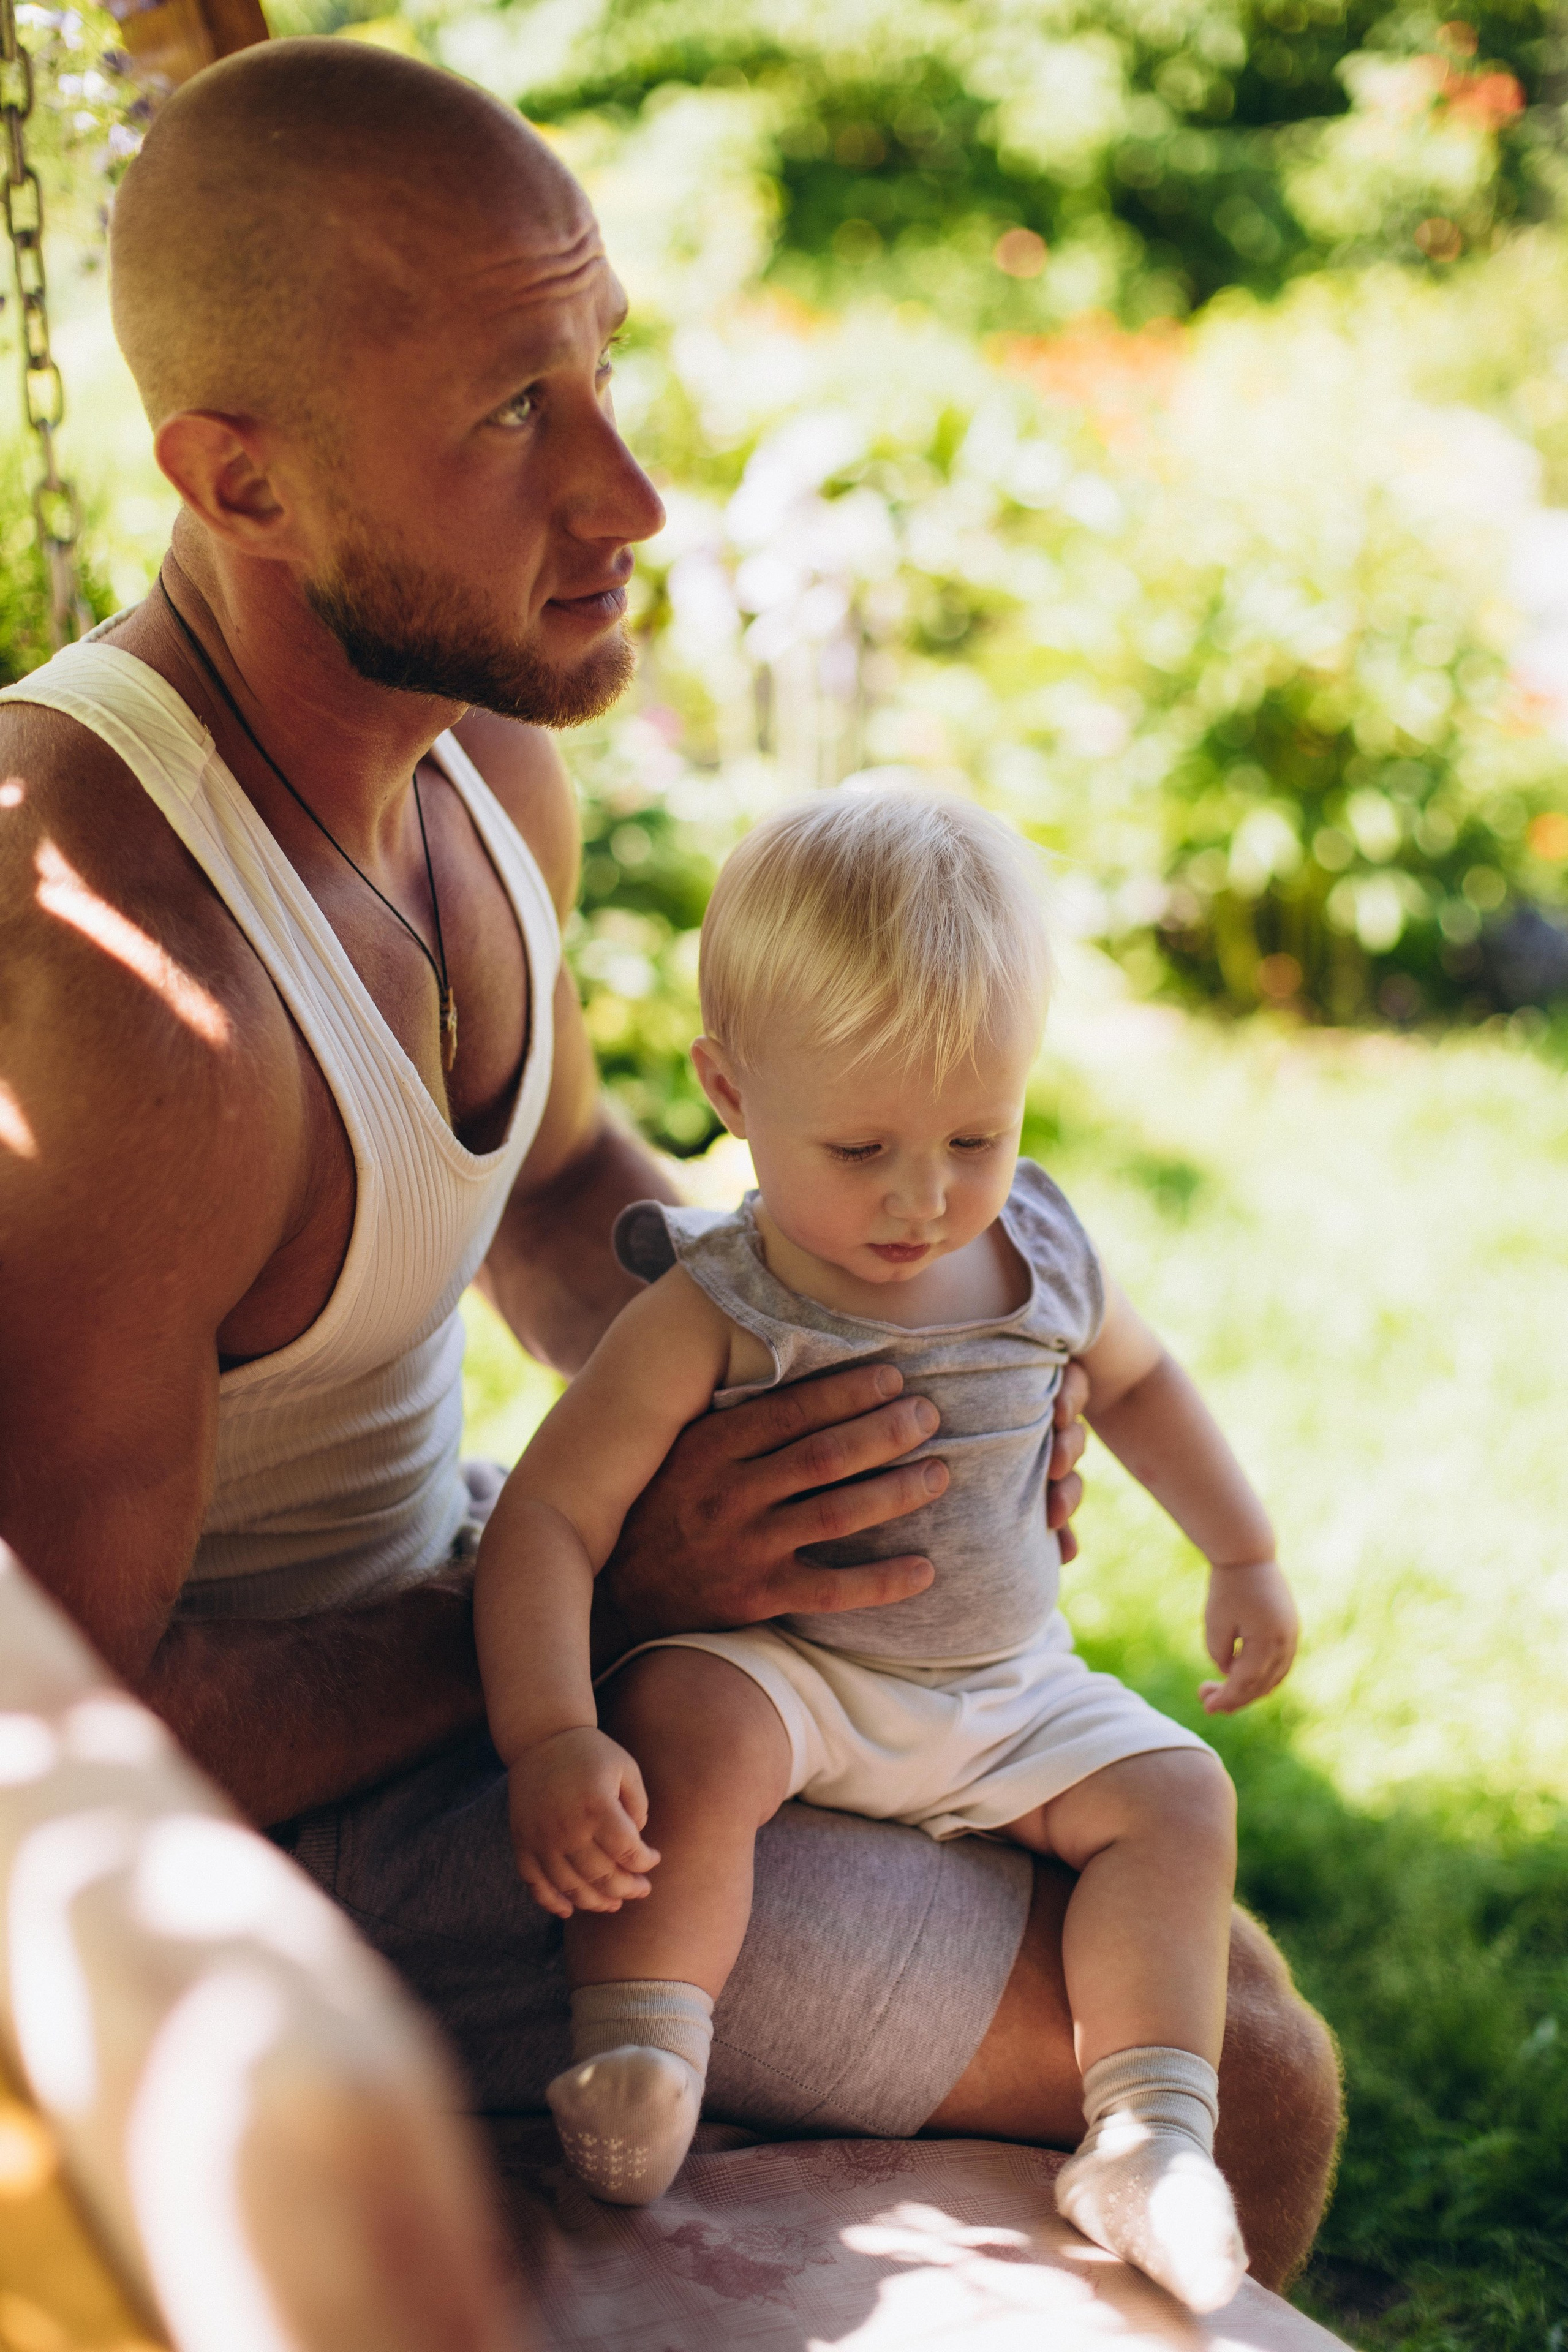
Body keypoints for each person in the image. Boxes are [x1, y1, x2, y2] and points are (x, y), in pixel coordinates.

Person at [0, 34, 1339, 2302]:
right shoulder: (140, 992)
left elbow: (550, 1199)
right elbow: (67, 1729)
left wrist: (869, 1375)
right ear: (242, 480)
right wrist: (609, 1590)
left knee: (1210, 1942)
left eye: (600, 368)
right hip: (290, 1842)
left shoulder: (478, 768)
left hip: (493, 1627)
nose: (626, 493)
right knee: (1257, 2072)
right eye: (511, 417)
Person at [473, 791, 1298, 2311]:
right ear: (729, 1092)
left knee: (1178, 1795)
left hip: (1005, 1692)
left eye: (976, 1135)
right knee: (686, 1724)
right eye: (858, 1147)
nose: (923, 1200)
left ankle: (1146, 2136)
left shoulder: (1039, 1248)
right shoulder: (717, 1304)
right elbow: (550, 1515)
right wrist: (549, 1733)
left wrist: (1238, 1552)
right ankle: (644, 2050)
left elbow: (1136, 1384)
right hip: (797, 1684)